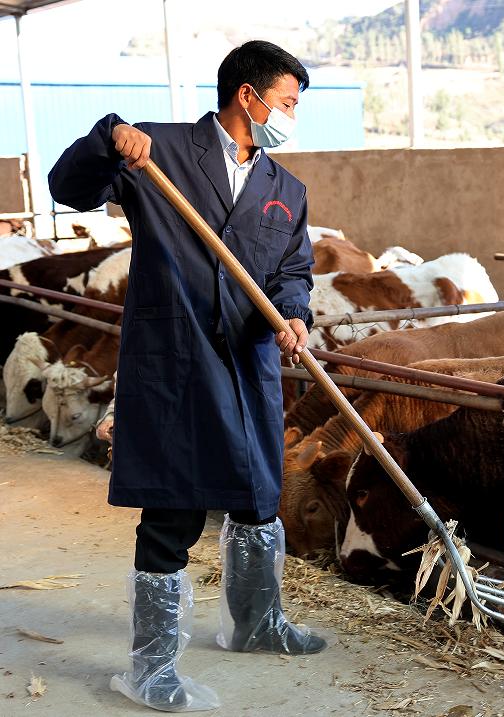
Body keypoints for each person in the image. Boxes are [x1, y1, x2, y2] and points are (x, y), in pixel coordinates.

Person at [49, 40, 327, 713]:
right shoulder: (159, 152)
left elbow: (292, 271)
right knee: (171, 512)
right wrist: (107, 137)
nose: (290, 116)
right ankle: (151, 669)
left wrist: (294, 316)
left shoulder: (284, 189)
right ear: (248, 96)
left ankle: (257, 624)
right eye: (287, 103)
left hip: (248, 364)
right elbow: (69, 189)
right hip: (174, 365)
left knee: (260, 497)